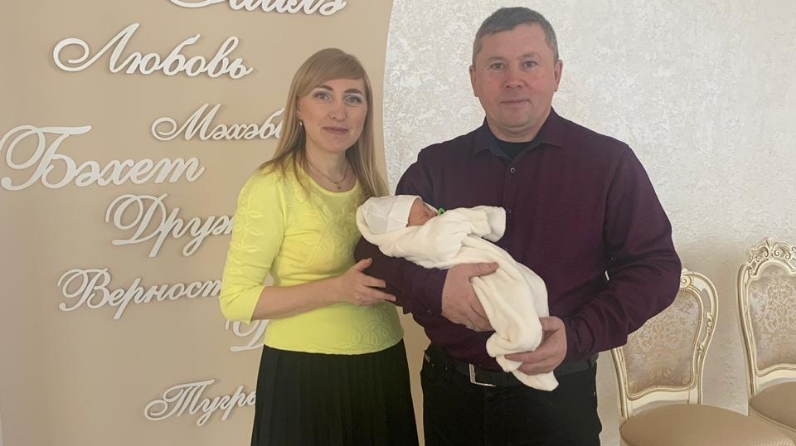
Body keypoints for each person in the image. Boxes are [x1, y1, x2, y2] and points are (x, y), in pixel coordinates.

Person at [354, 7, 682, 446]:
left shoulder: (609, 164)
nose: (513, 80)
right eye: (497, 66)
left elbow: (656, 269)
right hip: (453, 398)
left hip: (558, 401)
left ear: (556, 74)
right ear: (474, 79)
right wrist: (437, 290)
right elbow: (373, 254)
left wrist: (578, 335)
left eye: (529, 63)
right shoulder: (435, 165)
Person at [219, 48, 418, 446]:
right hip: (305, 376)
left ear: (366, 112)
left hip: (382, 365)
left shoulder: (371, 183)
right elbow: (236, 301)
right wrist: (336, 290)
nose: (338, 112)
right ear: (298, 107)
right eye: (323, 95)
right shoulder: (271, 186)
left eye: (353, 98)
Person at [356, 195, 557, 390]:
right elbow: (440, 246)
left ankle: (532, 342)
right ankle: (514, 345)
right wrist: (471, 219)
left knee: (535, 287)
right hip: (452, 369)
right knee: (511, 300)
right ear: (403, 228)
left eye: (427, 207)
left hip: (563, 365)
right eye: (424, 214)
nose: (433, 213)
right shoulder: (411, 239)